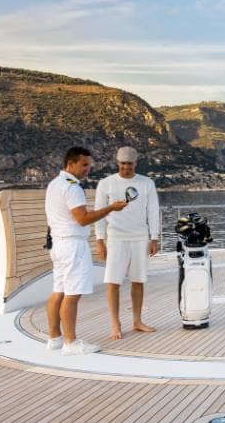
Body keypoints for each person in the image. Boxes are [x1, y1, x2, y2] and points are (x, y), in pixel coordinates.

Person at [45, 146, 127, 355]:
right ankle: (70, 342)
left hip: (58, 244)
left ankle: (55, 338)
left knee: (59, 291)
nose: (87, 169)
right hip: (72, 246)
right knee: (72, 294)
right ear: (70, 164)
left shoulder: (54, 184)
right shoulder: (72, 187)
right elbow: (82, 219)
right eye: (84, 165)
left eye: (89, 165)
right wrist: (110, 208)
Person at [95, 146, 160, 340]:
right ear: (117, 163)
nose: (126, 167)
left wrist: (154, 238)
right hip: (115, 238)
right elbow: (99, 213)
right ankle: (115, 324)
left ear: (135, 163)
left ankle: (137, 321)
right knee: (113, 282)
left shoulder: (146, 183)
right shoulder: (106, 183)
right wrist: (100, 240)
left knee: (138, 281)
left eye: (129, 164)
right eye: (122, 164)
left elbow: (153, 212)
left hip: (140, 237)